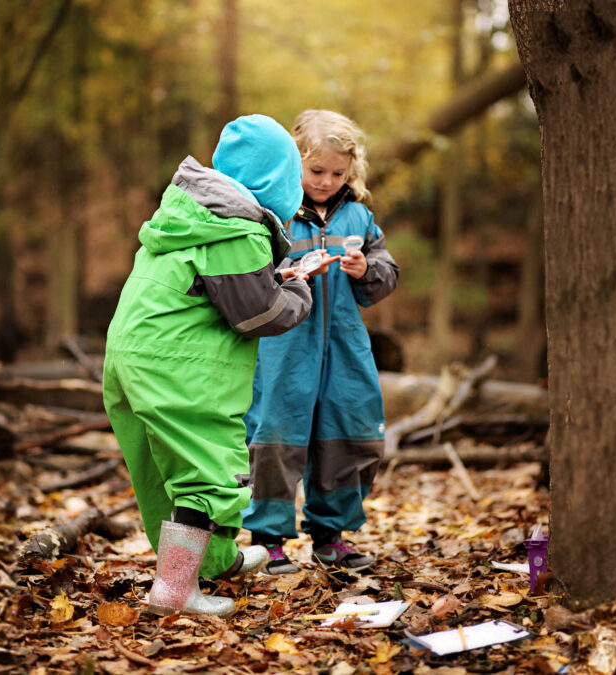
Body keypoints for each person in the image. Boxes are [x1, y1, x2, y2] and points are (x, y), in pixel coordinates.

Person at [102, 114, 336, 616]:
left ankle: (214, 560)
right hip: (178, 363)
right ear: (276, 180)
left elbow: (219, 287)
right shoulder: (239, 231)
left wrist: (272, 276)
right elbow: (259, 314)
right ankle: (174, 591)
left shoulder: (191, 217)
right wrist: (296, 287)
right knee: (211, 469)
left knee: (166, 468)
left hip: (130, 354)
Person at [243, 109, 399, 574]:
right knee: (275, 434)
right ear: (295, 162)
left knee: (348, 431)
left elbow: (385, 275)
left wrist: (366, 270)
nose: (327, 181)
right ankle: (268, 538)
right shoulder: (276, 213)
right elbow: (250, 277)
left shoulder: (360, 216)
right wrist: (284, 273)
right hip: (284, 347)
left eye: (338, 173)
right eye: (317, 171)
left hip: (345, 347)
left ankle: (331, 535)